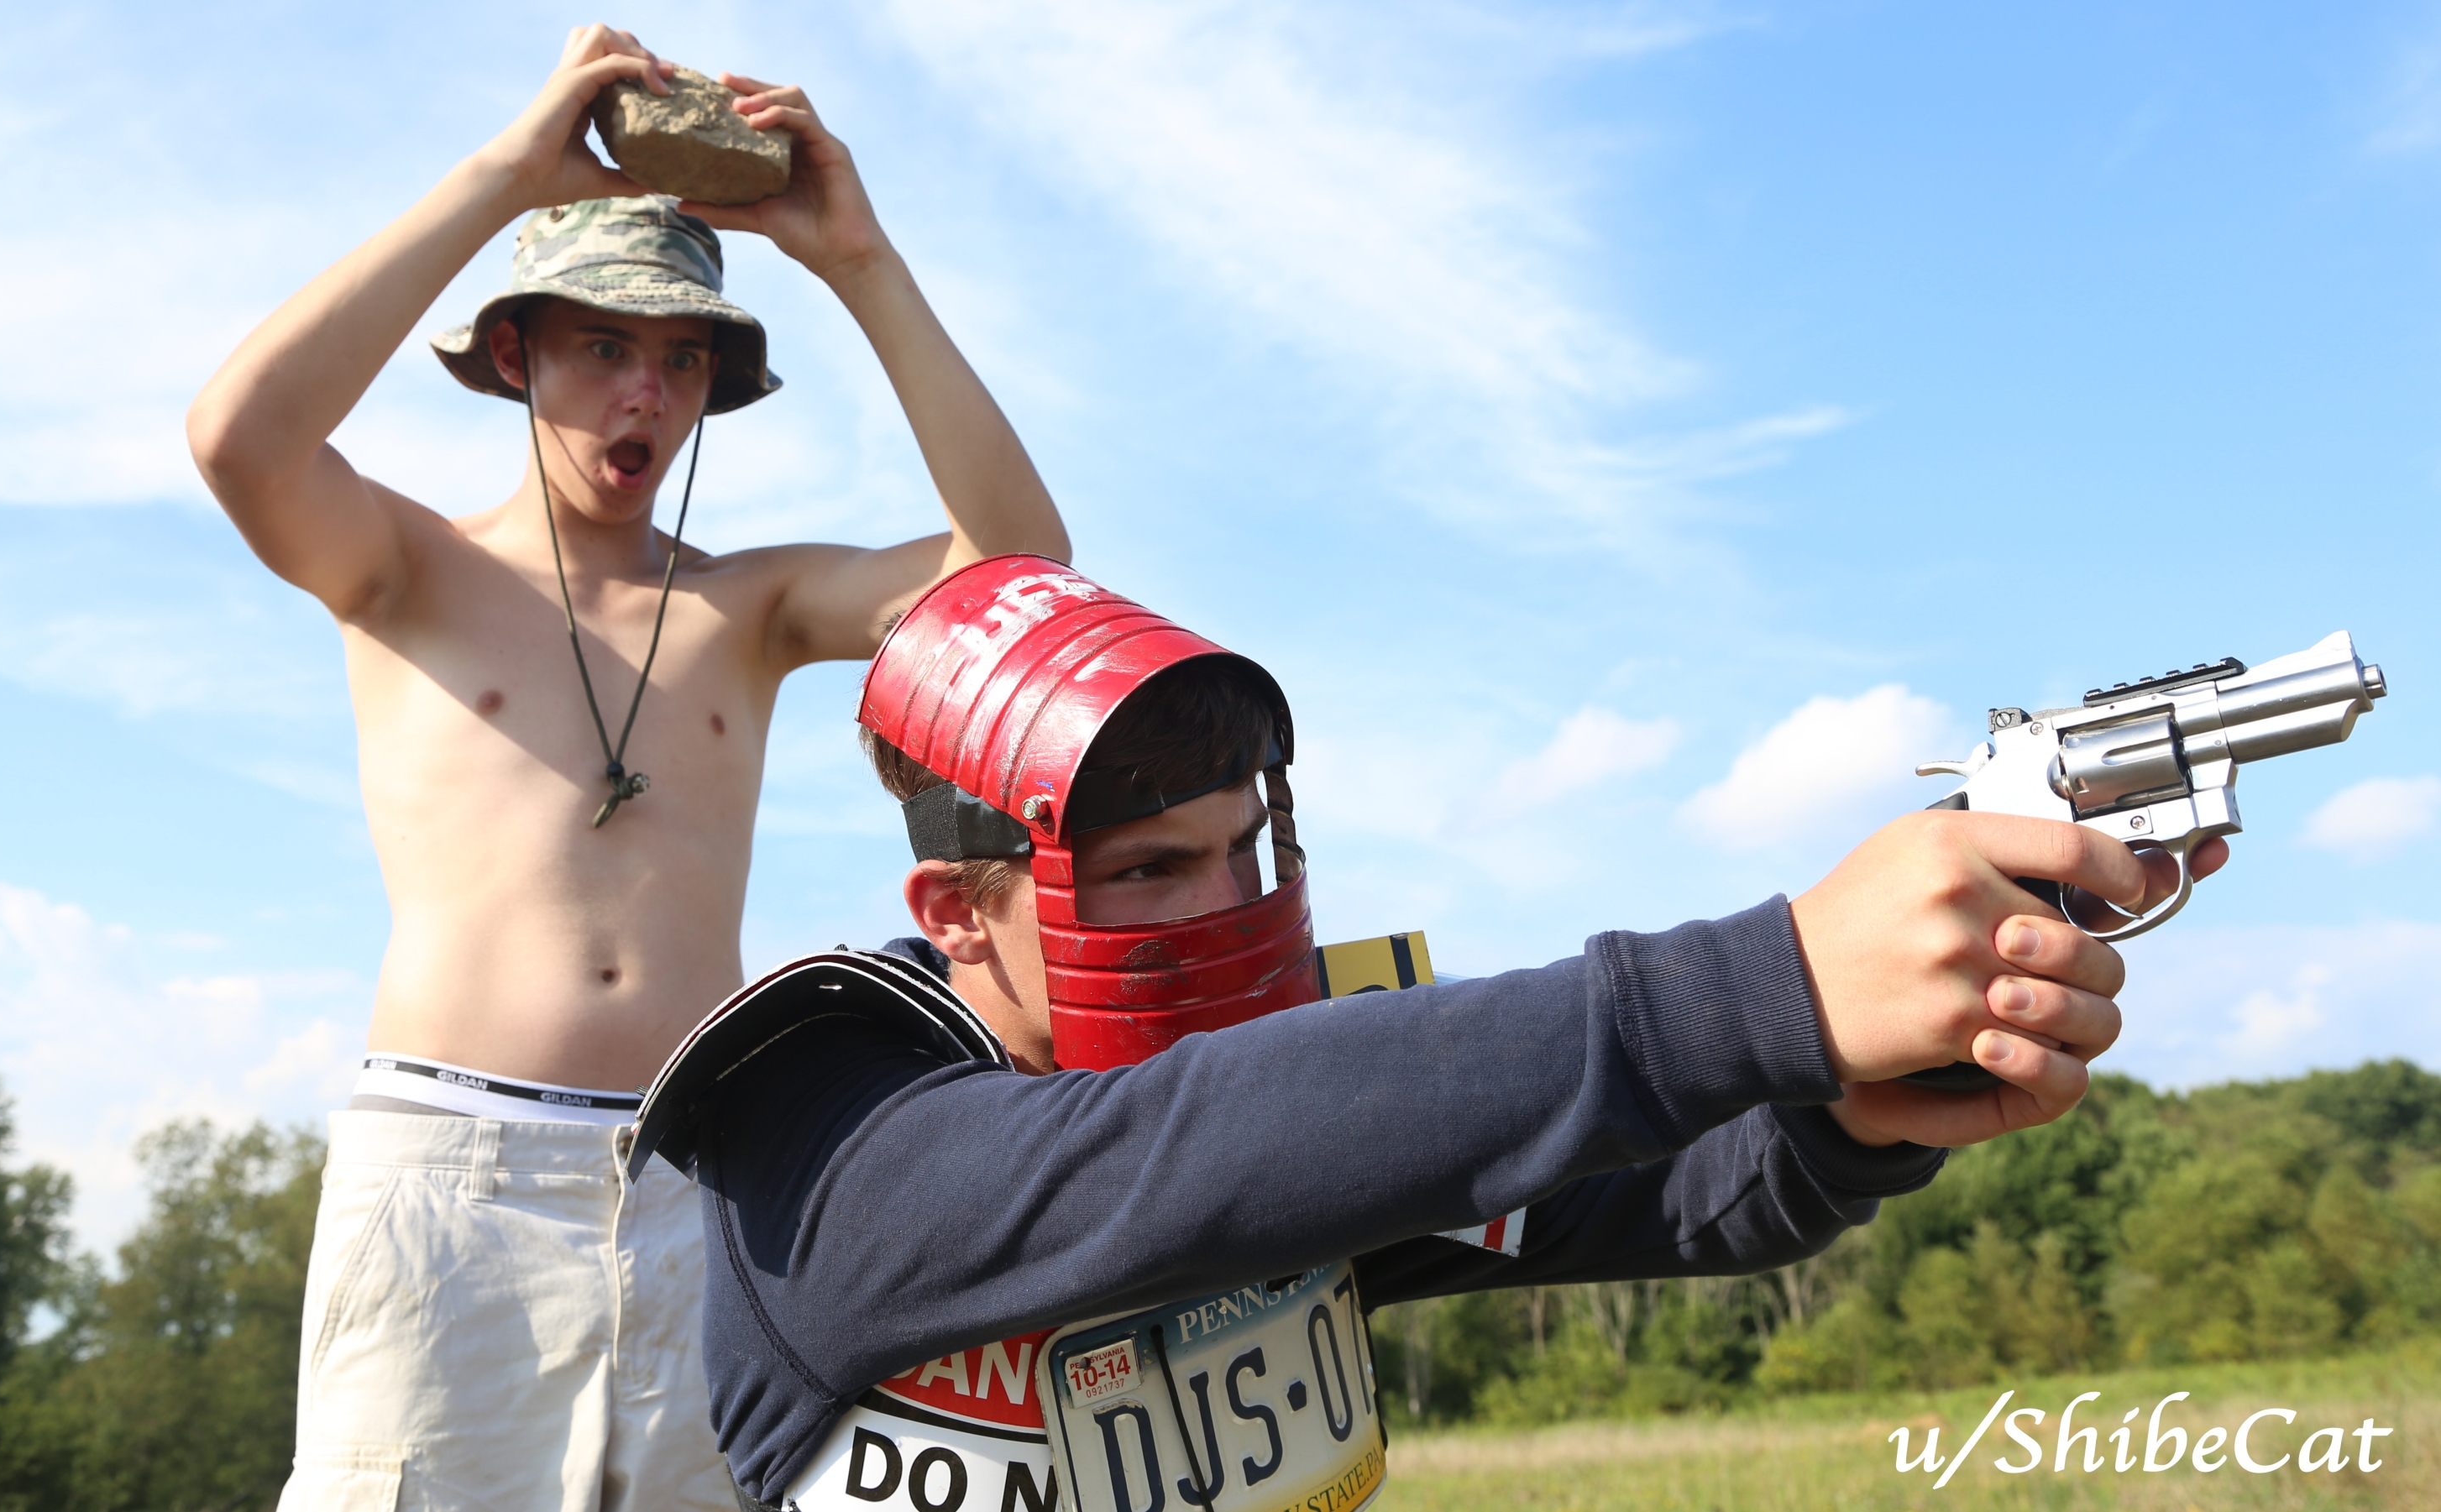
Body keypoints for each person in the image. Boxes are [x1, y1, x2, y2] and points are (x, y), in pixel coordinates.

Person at [630, 557, 2225, 1512]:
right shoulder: (829, 1128)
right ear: (961, 909)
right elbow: (1169, 1158)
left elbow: (1651, 1189)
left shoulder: (1306, 1116)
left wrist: (1851, 1109)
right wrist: (1772, 979)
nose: (1217, 908)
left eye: (1241, 850)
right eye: (1145, 874)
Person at [184, 25, 1069, 1511]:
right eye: (604, 346)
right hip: (452, 1179)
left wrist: (860, 260)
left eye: (679, 360)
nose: (643, 397)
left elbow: (1022, 568)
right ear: (518, 352)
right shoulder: (402, 569)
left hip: (701, 1184)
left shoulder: (745, 609)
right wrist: (502, 178)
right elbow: (238, 434)